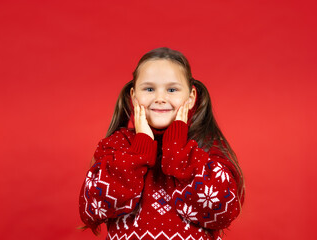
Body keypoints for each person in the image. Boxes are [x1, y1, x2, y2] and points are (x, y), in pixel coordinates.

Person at [78, 47, 245, 239]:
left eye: (172, 90)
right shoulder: (117, 145)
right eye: (149, 89)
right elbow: (92, 208)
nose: (159, 99)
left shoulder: (204, 148)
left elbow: (223, 212)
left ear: (190, 98)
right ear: (133, 96)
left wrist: (178, 150)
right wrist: (139, 151)